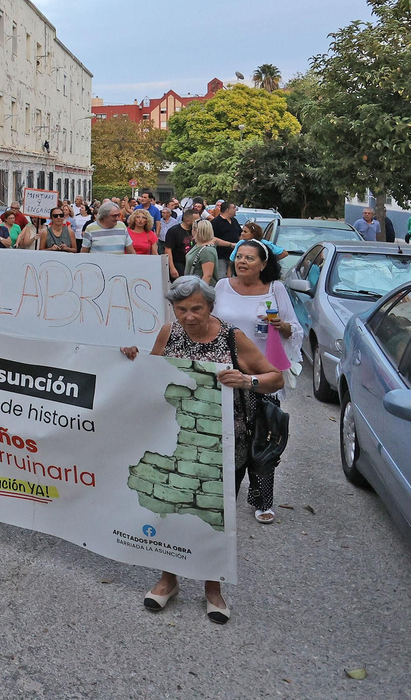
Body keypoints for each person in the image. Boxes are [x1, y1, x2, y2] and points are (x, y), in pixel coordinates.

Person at [119, 276, 282, 624]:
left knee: (215, 515)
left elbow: (276, 377)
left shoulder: (232, 338)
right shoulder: (169, 333)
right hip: (176, 439)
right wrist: (131, 356)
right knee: (169, 505)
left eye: (197, 308)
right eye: (181, 309)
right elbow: (149, 378)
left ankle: (213, 588)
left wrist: (247, 380)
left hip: (225, 444)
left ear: (210, 306)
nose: (189, 316)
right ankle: (168, 580)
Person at [214, 240, 299, 523]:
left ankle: (263, 499)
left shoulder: (276, 290)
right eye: (239, 257)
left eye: (250, 258)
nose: (242, 262)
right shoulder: (222, 287)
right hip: (227, 373)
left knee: (263, 436)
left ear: (263, 264)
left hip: (264, 374)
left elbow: (294, 329)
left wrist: (282, 327)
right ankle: (223, 495)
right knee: (227, 437)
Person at [184, 220, 221, 285]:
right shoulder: (198, 245)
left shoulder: (207, 250)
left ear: (196, 230)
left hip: (199, 290)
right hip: (192, 286)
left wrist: (200, 293)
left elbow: (207, 275)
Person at [162, 209, 194, 278]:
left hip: (192, 264)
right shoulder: (173, 231)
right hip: (178, 264)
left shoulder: (195, 230)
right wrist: (172, 267)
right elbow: (168, 250)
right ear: (188, 221)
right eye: (196, 220)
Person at [211, 202, 243, 267]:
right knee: (222, 275)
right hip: (221, 257)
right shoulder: (215, 222)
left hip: (235, 256)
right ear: (228, 210)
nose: (235, 210)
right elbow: (212, 239)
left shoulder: (234, 221)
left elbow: (240, 234)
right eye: (234, 208)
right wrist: (230, 244)